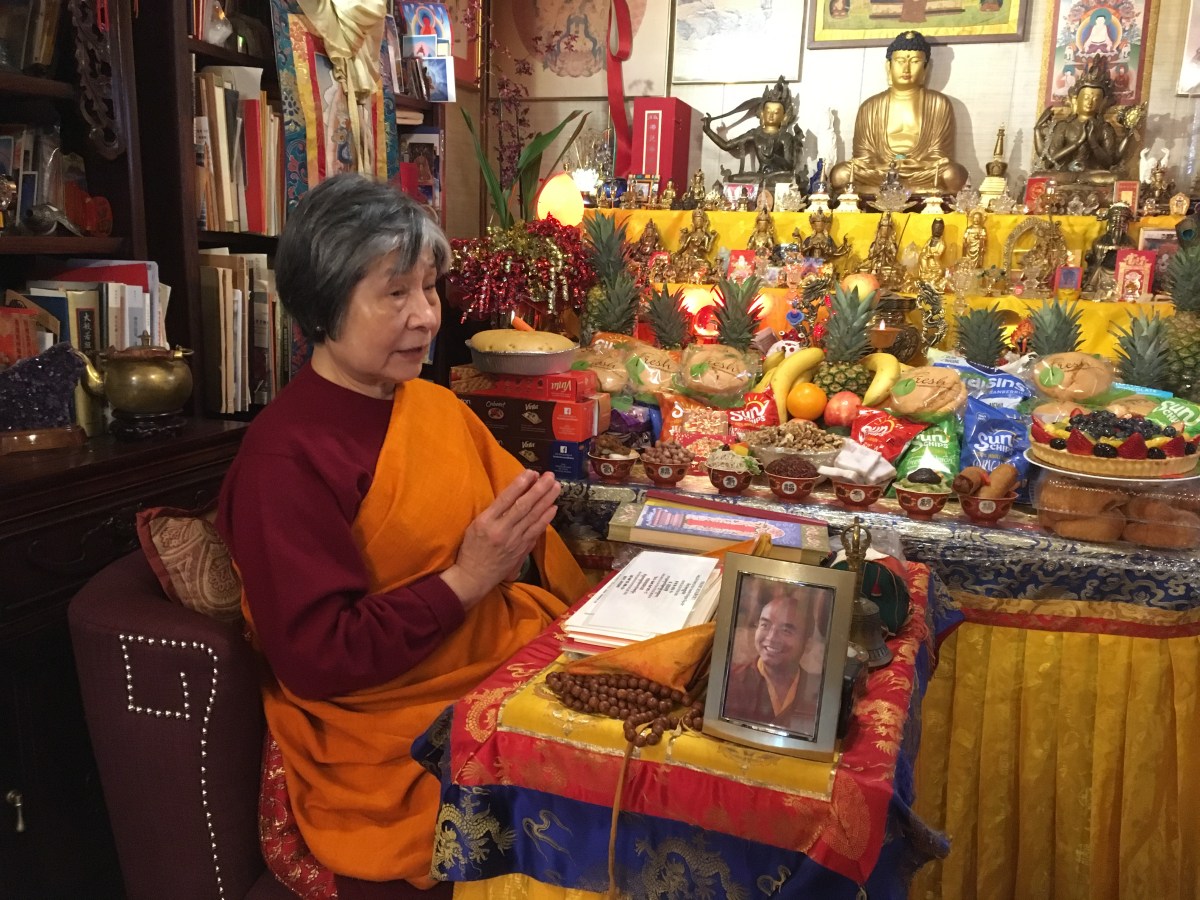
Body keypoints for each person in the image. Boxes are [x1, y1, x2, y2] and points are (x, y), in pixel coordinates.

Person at [215, 174, 589, 896]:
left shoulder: (432, 407)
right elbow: (319, 657)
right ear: (324, 304)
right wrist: (468, 579)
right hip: (391, 740)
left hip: (497, 661)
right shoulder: (286, 458)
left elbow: (523, 535)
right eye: (395, 293)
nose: (425, 317)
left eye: (429, 288)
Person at [829, 31, 968, 195]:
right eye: (900, 61)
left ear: (925, 68)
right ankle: (915, 192)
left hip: (919, 171)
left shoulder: (938, 103)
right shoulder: (870, 106)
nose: (906, 68)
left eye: (915, 61)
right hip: (880, 170)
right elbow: (863, 156)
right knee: (840, 175)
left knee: (953, 174)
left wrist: (917, 164)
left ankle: (877, 192)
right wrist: (884, 165)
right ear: (888, 66)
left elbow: (939, 154)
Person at [723, 588, 828, 735]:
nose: (771, 638)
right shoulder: (730, 680)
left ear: (808, 644)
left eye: (786, 630)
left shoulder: (818, 692)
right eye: (765, 625)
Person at [1033, 55, 1144, 183]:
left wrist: (1093, 142)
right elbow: (1050, 160)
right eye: (1086, 98)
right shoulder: (1064, 125)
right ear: (1076, 99)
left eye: (1096, 99)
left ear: (1102, 103)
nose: (1090, 102)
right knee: (1038, 176)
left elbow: (1109, 162)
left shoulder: (1104, 128)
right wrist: (1078, 142)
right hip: (1065, 172)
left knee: (1116, 178)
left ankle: (1080, 181)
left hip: (1092, 173)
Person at [701, 77, 805, 182]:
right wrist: (708, 130)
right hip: (760, 175)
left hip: (778, 176)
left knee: (794, 178)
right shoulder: (755, 133)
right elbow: (726, 145)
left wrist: (773, 157)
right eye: (768, 111)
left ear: (784, 116)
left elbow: (789, 165)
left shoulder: (785, 137)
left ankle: (764, 180)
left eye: (776, 112)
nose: (771, 115)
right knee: (734, 178)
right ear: (762, 113)